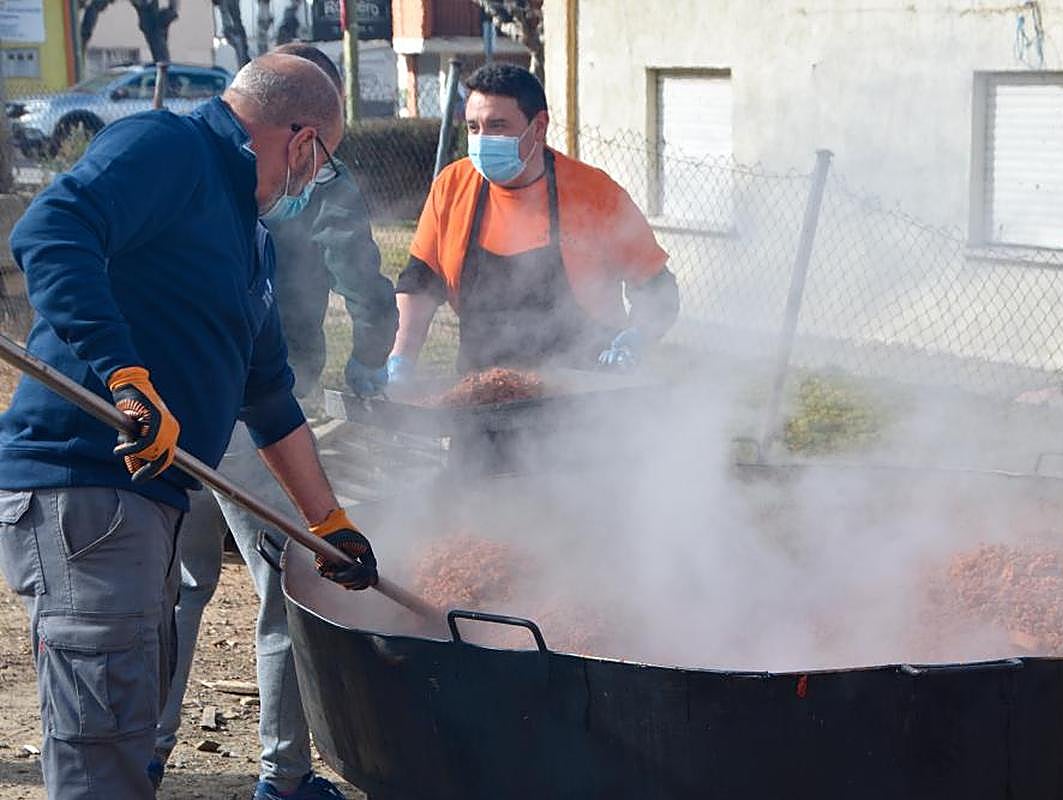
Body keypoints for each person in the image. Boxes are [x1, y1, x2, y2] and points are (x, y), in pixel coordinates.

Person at [0, 53, 379, 800]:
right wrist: (127, 376)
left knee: (125, 725)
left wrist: (328, 523)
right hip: (89, 486)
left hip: (146, 504)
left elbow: (269, 399)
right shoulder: (169, 148)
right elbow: (53, 228)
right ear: (303, 141)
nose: (314, 181)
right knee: (102, 747)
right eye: (322, 163)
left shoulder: (249, 238)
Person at [150, 43, 396, 800]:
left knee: (180, 585)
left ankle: (144, 753)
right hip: (255, 419)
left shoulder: (201, 169)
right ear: (307, 130)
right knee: (290, 585)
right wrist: (371, 362)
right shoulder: (316, 175)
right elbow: (363, 283)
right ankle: (283, 779)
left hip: (172, 409)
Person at [387, 63, 679, 381]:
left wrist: (636, 339)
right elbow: (420, 283)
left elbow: (658, 290)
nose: (483, 139)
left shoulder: (596, 193)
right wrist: (401, 358)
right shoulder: (452, 186)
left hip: (586, 392)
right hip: (479, 391)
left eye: (498, 125)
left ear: (539, 127)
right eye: (474, 127)